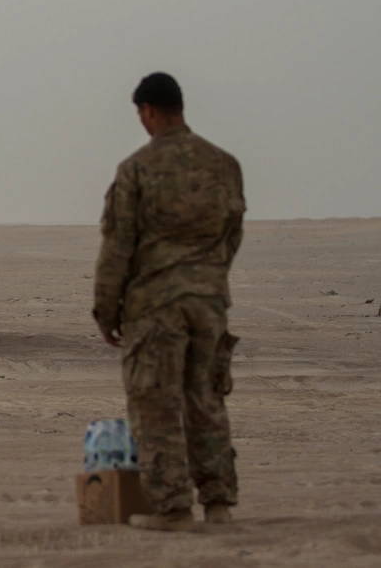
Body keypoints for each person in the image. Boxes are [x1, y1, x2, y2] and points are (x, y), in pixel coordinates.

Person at [93, 72, 246, 531]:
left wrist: (106, 309)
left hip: (156, 305)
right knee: (207, 399)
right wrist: (208, 277)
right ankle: (218, 503)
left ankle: (174, 508)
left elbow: (118, 245)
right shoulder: (224, 163)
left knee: (155, 404)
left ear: (150, 111)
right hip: (208, 302)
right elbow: (233, 232)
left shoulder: (137, 169)